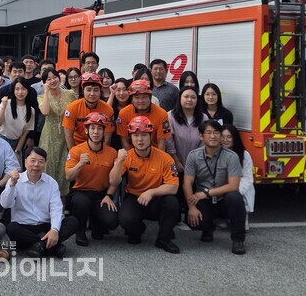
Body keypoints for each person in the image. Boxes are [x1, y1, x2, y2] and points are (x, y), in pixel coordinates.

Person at [111, 116, 181, 253]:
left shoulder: (165, 158)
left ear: (151, 136)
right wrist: (118, 162)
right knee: (125, 220)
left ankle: (163, 239)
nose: (140, 139)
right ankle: (138, 230)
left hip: (156, 198)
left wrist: (152, 192)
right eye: (136, 135)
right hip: (134, 197)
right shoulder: (127, 156)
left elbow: (173, 187)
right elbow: (113, 181)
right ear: (130, 138)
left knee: (172, 202)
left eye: (144, 135)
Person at [183, 120, 247, 255]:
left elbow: (233, 186)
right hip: (204, 201)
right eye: (208, 132)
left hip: (223, 199)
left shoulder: (231, 156)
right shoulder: (193, 156)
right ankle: (207, 228)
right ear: (201, 136)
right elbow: (187, 183)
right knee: (195, 222)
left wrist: (207, 193)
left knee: (235, 198)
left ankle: (238, 240)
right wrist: (191, 208)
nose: (213, 136)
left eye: (216, 133)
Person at [1, 147, 78, 258]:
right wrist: (12, 185)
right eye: (32, 160)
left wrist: (54, 230)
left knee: (73, 221)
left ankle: (39, 246)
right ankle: (52, 246)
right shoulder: (15, 180)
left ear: (45, 164)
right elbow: (5, 204)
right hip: (24, 227)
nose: (36, 165)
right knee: (12, 228)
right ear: (25, 162)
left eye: (40, 161)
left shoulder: (51, 182)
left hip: (45, 225)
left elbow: (56, 209)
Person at [65, 112, 119, 246]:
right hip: (80, 192)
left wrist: (109, 195)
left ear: (104, 131)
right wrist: (79, 165)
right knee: (82, 203)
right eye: (92, 128)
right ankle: (81, 231)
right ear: (86, 130)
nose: (96, 132)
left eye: (99, 128)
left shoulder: (112, 152)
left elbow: (116, 180)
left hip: (101, 194)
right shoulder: (76, 151)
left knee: (112, 221)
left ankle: (96, 222)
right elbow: (68, 177)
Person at [38, 69, 73, 195]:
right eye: (48, 79)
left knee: (64, 168)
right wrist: (46, 91)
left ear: (59, 78)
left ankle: (63, 205)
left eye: (55, 77)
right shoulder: (41, 97)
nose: (53, 81)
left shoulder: (70, 94)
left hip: (66, 135)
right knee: (49, 167)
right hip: (49, 136)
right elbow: (46, 112)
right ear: (44, 82)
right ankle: (46, 201)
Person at [62, 72, 115, 149]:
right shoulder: (72, 108)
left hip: (99, 147)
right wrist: (74, 154)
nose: (92, 94)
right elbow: (68, 136)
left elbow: (107, 139)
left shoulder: (108, 110)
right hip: (77, 146)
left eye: (96, 90)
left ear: (100, 91)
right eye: (88, 90)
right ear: (83, 91)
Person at [117, 79, 171, 152]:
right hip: (132, 154)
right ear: (131, 99)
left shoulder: (162, 114)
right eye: (137, 97)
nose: (141, 101)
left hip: (155, 154)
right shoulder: (123, 114)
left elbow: (162, 144)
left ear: (150, 97)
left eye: (144, 97)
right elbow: (124, 141)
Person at [222, 123, 255, 228]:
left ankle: (240, 222)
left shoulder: (244, 155)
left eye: (229, 137)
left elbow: (247, 178)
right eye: (222, 137)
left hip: (239, 188)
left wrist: (235, 190)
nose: (225, 140)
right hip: (219, 187)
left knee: (235, 198)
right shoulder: (215, 152)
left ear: (234, 138)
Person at [0, 78, 38, 159]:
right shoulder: (6, 103)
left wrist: (17, 150)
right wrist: (3, 107)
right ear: (13, 90)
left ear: (28, 90)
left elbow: (25, 134)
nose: (20, 92)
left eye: (23, 89)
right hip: (1, 139)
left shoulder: (31, 110)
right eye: (17, 89)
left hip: (16, 142)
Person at [166, 87, 204, 175]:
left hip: (198, 164)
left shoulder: (203, 118)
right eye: (186, 97)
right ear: (180, 98)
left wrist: (196, 162)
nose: (189, 100)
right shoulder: (170, 116)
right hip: (175, 163)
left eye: (193, 97)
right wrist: (176, 161)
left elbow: (204, 142)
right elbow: (169, 142)